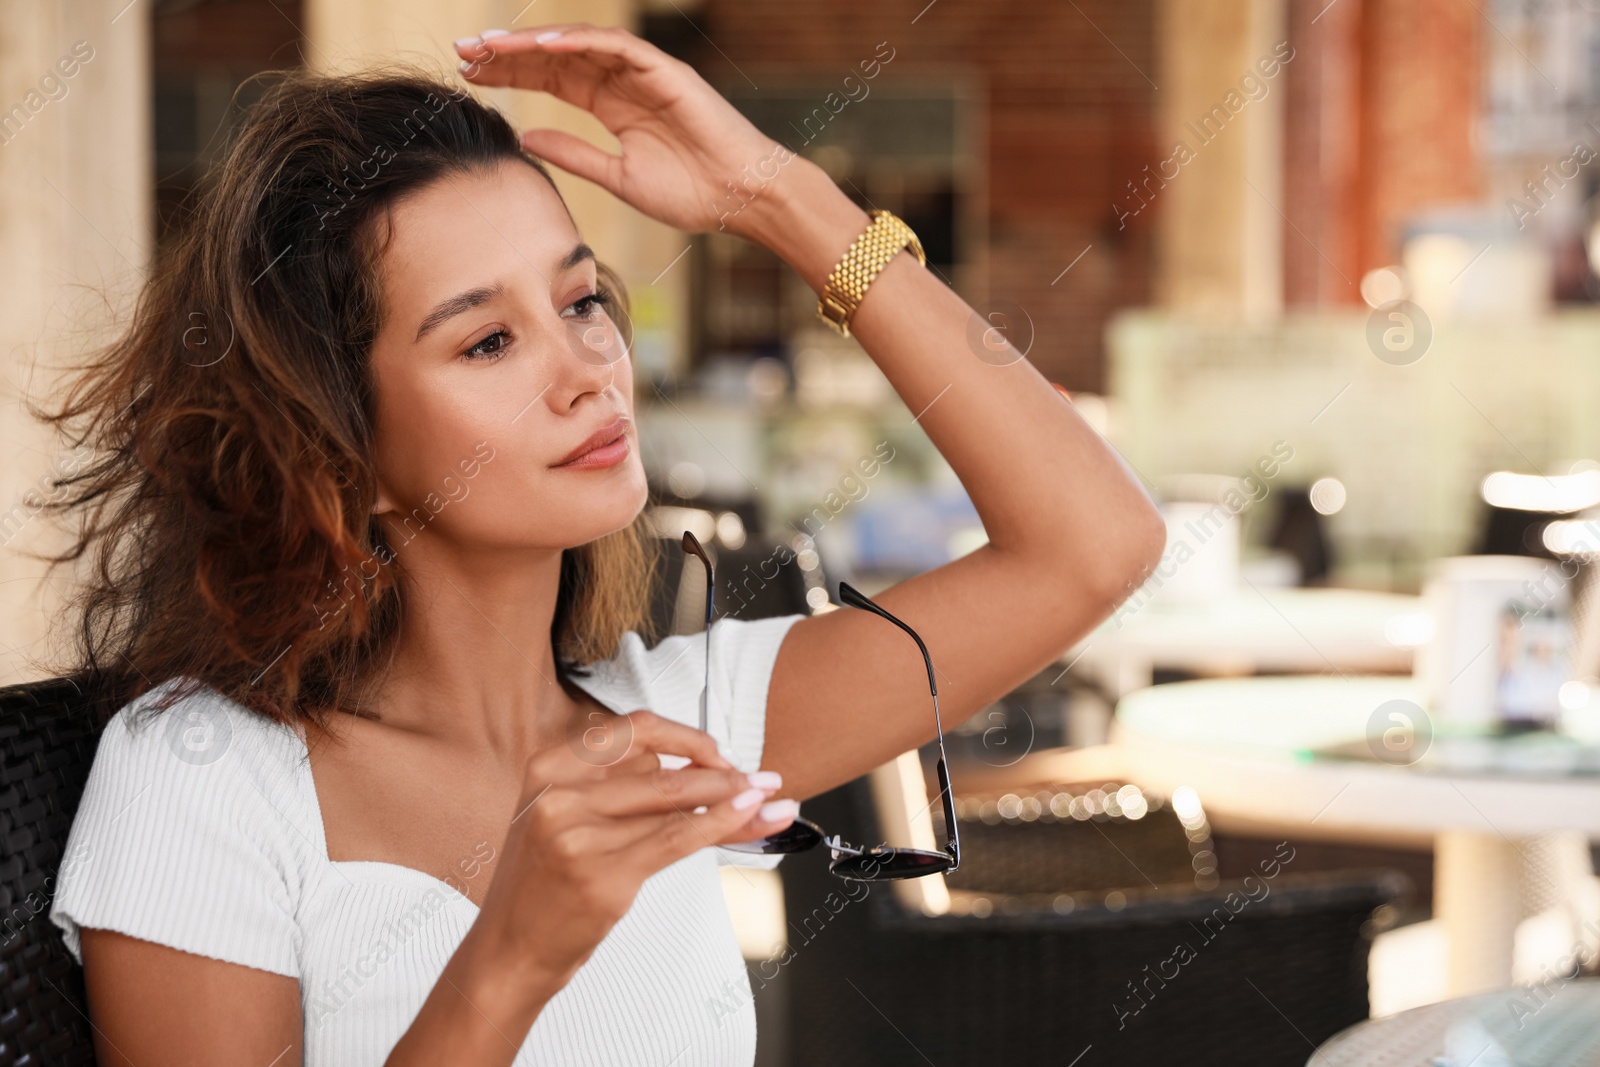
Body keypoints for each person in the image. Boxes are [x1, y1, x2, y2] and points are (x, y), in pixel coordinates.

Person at [38, 22, 1163, 1066]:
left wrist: (781, 197)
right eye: (486, 342)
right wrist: (511, 956)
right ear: (338, 447)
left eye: (581, 302)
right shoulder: (204, 775)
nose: (587, 369)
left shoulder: (681, 730)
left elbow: (1094, 542)